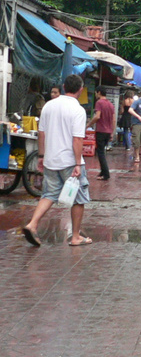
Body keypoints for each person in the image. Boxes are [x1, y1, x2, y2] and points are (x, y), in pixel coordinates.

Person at [21, 74, 92, 247]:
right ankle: (75, 236)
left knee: (49, 194)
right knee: (78, 199)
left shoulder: (49, 106)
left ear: (63, 87)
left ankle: (32, 224)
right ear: (80, 90)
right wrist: (77, 163)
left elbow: (42, 133)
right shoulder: (78, 110)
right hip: (69, 161)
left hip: (51, 160)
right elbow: (77, 139)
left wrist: (41, 156)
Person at [87, 86, 115, 181]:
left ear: (99, 93)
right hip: (108, 131)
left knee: (100, 153)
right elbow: (113, 119)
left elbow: (97, 116)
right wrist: (112, 132)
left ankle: (106, 173)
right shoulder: (111, 104)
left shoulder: (99, 103)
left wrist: (88, 124)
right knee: (102, 152)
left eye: (96, 93)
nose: (95, 95)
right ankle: (103, 172)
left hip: (101, 131)